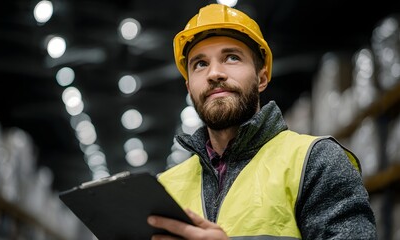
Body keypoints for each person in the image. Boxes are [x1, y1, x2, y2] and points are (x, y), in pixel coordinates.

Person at [147, 3, 377, 240]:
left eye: (232, 57)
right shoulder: (165, 188)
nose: (214, 73)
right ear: (189, 86)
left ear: (262, 77)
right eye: (200, 64)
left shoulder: (315, 160)